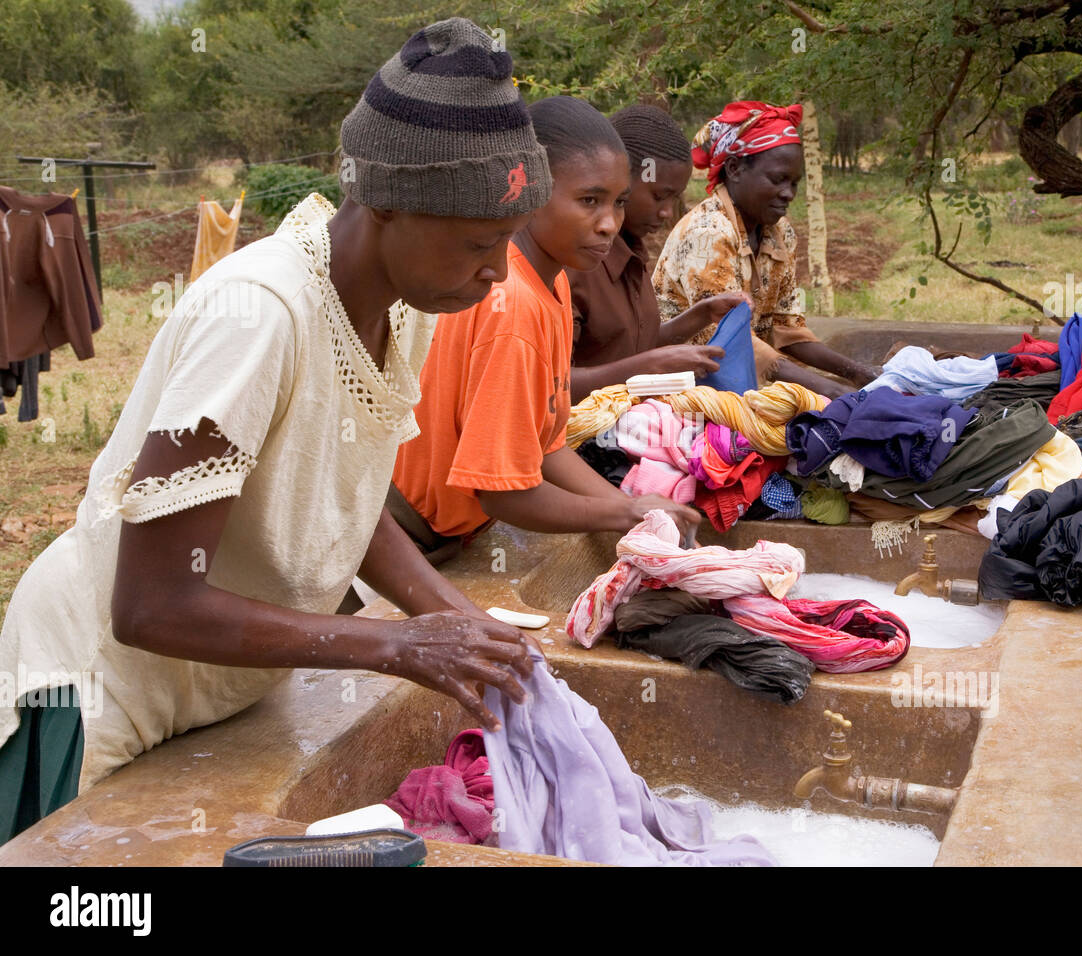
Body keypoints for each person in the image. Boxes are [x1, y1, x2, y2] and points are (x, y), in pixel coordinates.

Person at [0, 18, 545, 846]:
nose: (497, 272)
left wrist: (459, 627)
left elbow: (342, 498)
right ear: (386, 202)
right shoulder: (259, 315)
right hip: (100, 695)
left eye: (507, 242)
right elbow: (150, 604)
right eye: (480, 242)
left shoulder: (403, 306)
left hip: (215, 695)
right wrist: (395, 648)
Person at [389, 96, 701, 553]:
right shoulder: (512, 302)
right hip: (400, 529)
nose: (609, 224)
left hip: (444, 531)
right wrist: (624, 512)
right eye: (589, 201)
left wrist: (636, 508)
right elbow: (503, 494)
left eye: (619, 203)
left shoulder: (550, 283)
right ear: (529, 191)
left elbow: (546, 448)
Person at [653, 101, 877, 398]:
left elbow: (788, 331)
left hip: (736, 377)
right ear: (734, 169)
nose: (789, 194)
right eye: (778, 179)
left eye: (794, 183)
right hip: (680, 384)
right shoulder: (708, 233)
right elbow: (730, 343)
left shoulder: (779, 233)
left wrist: (859, 373)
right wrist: (829, 388)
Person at [567, 104, 747, 401]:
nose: (666, 212)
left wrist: (700, 315)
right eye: (659, 196)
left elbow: (630, 344)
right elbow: (550, 384)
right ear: (618, 178)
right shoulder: (579, 262)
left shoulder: (632, 254)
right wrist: (651, 366)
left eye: (674, 198)